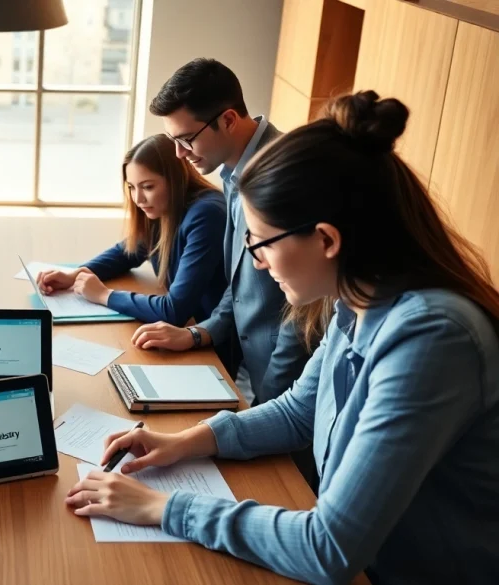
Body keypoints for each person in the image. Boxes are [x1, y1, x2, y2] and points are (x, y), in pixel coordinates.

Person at [65, 92, 499, 585]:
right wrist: (186, 441)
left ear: (327, 240)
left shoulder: (431, 337)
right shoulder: (356, 304)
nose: (256, 262)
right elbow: (299, 411)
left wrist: (162, 507)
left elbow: (327, 549)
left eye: (260, 243)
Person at [133, 58, 310, 406]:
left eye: (186, 140)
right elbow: (240, 286)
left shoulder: (285, 174)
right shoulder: (232, 172)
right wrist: (197, 335)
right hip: (251, 371)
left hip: (285, 384)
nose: (179, 154)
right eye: (173, 140)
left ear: (227, 120)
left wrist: (270, 400)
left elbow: (303, 313)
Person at [36, 134, 227, 328]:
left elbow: (174, 311)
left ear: (175, 179)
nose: (138, 199)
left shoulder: (206, 214)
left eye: (148, 187)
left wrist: (103, 295)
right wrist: (75, 275)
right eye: (131, 187)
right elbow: (127, 252)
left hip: (219, 345)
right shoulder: (164, 208)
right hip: (194, 330)